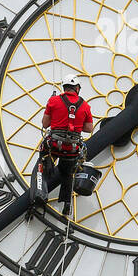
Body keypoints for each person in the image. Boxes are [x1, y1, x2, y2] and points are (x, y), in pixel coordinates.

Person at [40, 75, 95, 217]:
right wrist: (76, 126)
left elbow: (45, 124)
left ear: (64, 87)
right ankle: (67, 204)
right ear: (77, 88)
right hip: (71, 149)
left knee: (43, 164)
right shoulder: (85, 105)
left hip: (53, 145)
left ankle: (41, 192)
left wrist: (58, 120)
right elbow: (89, 128)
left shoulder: (53, 101)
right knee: (68, 173)